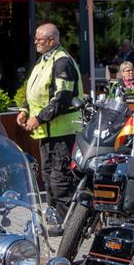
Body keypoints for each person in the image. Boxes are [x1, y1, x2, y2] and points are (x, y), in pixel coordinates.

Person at [17, 22, 82, 233]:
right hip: (47, 131)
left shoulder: (62, 62)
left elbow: (62, 98)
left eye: (39, 39)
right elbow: (35, 90)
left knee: (60, 178)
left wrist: (39, 118)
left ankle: (68, 224)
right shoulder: (44, 60)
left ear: (52, 41)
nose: (35, 42)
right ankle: (54, 219)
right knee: (47, 177)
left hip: (63, 131)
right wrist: (25, 110)